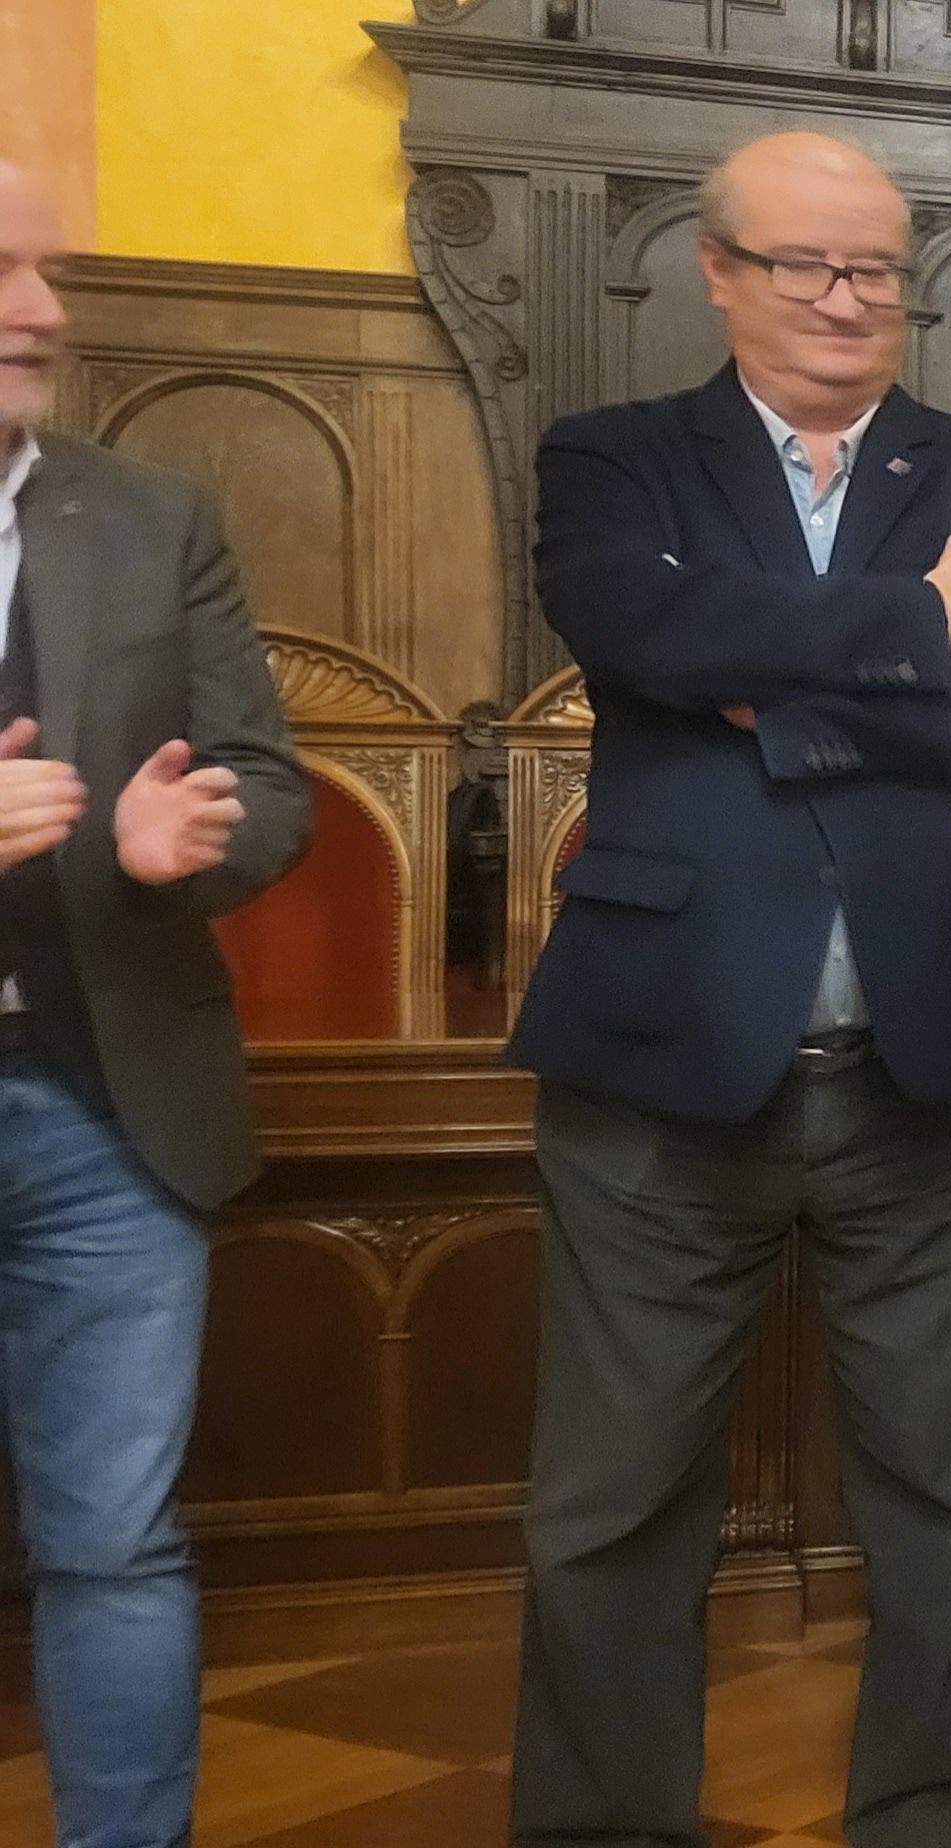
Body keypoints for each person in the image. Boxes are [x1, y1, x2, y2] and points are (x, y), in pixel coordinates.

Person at [505, 130, 951, 1848]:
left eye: (878, 270)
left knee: (944, 1495)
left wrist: (781, 669)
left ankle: (927, 1818)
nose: (850, 302)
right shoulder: (613, 460)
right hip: (660, 1056)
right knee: (612, 1506)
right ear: (719, 271)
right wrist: (920, 630)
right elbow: (644, 636)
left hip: (928, 1059)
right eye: (807, 267)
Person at [0, 158, 313, 1848]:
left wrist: (170, 845)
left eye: (42, 268)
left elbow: (266, 781)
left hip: (105, 1107)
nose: (43, 308)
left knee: (112, 1541)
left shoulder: (150, 511)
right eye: (1, 268)